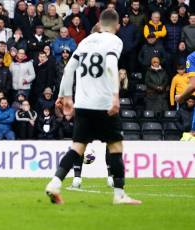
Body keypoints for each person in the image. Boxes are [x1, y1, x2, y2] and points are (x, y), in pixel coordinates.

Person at [45, 9, 142, 205]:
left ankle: (54, 183)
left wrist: (65, 96)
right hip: (103, 103)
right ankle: (119, 194)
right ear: (117, 25)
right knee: (115, 146)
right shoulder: (114, 41)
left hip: (83, 103)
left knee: (77, 147)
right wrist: (115, 95)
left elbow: (69, 69)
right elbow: (111, 63)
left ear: (99, 22)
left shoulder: (85, 42)